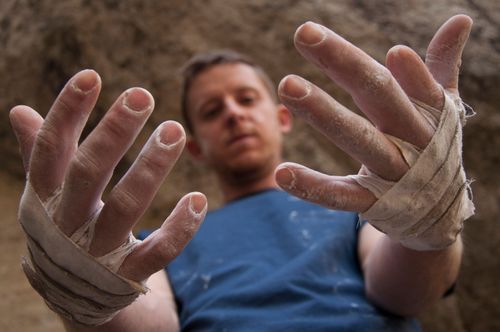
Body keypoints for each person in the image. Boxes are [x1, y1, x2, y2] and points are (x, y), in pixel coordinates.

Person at [9, 14, 473, 332]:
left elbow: (406, 294)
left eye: (246, 99)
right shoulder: (147, 248)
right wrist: (87, 296)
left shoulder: (363, 210)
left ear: (281, 118)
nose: (233, 114)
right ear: (195, 147)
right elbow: (150, 325)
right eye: (212, 110)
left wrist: (427, 227)